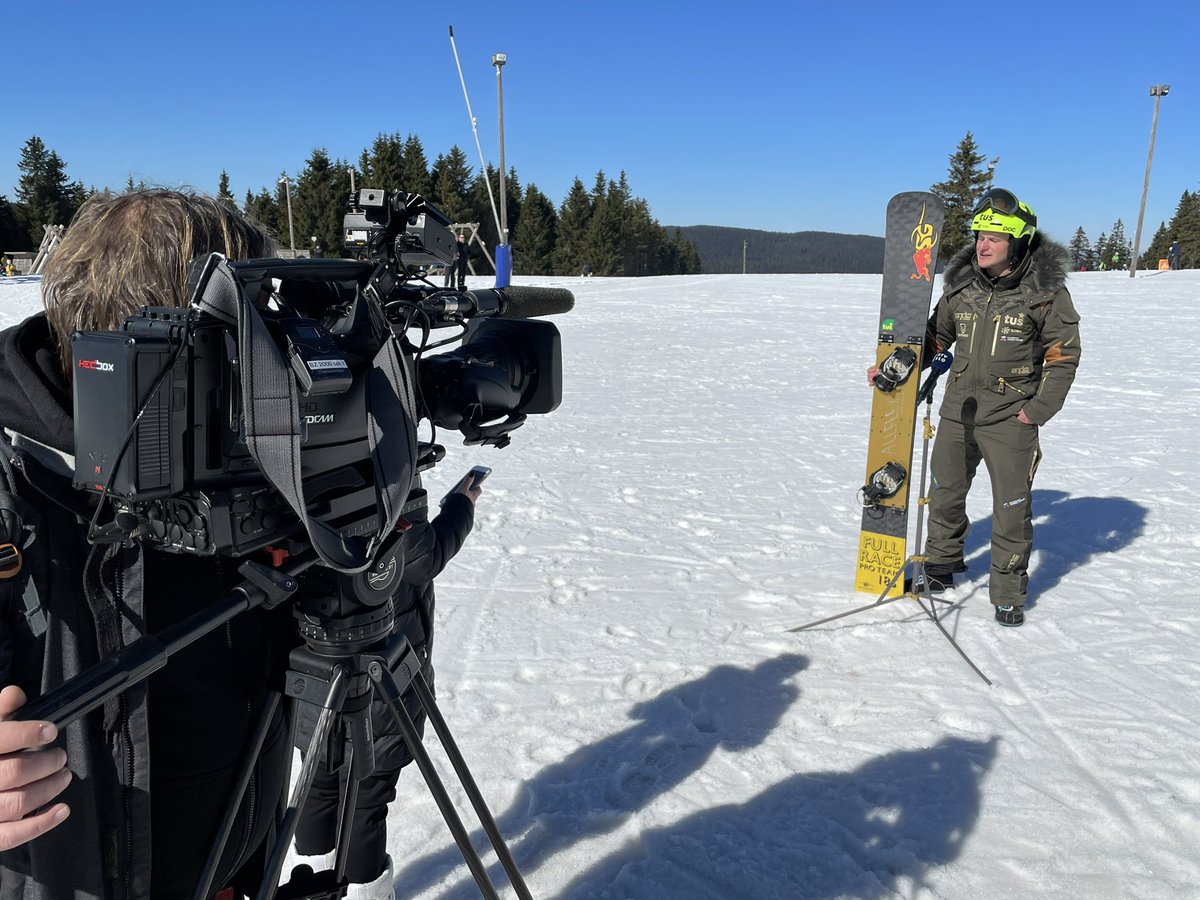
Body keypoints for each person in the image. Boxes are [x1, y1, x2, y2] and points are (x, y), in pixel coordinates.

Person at [0, 189, 292, 897]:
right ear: (158, 352)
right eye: (245, 336)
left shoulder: (242, 451)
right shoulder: (16, 482)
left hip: (231, 863)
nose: (270, 364)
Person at [868, 188, 1081, 627]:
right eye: (980, 235)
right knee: (945, 493)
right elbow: (934, 339)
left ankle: (1006, 592)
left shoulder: (1043, 293)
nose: (982, 245)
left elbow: (1063, 356)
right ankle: (942, 567)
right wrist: (894, 365)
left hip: (1011, 417)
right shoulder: (962, 287)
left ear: (1016, 242)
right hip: (958, 409)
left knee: (1010, 508)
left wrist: (1036, 411)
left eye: (994, 238)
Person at [292, 472, 480, 899]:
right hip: (383, 673)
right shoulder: (380, 475)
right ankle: (366, 892)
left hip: (315, 665)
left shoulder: (288, 467)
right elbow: (422, 559)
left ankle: (313, 886)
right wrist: (461, 506)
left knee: (318, 779)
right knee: (367, 794)